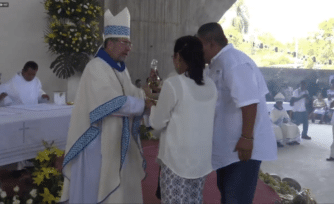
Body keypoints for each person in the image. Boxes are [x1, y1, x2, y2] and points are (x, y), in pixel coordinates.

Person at [60, 8, 153, 203]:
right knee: (96, 187)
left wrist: (144, 93)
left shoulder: (119, 68)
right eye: (124, 43)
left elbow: (128, 92)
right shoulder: (96, 67)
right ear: (109, 43)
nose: (129, 48)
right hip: (96, 141)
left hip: (116, 139)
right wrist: (141, 103)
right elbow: (112, 103)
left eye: (130, 43)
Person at [196, 22, 277, 204]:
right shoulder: (217, 63)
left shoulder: (234, 62)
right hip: (229, 148)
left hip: (242, 150)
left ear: (210, 43)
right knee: (228, 197)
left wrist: (247, 138)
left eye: (199, 45)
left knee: (236, 200)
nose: (197, 51)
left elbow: (249, 103)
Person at [149, 35, 218, 203]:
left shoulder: (174, 84)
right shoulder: (210, 85)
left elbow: (156, 123)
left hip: (177, 163)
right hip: (200, 162)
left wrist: (150, 106)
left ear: (178, 56)